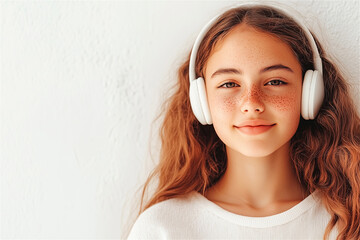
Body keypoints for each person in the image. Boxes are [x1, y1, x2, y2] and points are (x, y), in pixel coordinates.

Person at [127, 2, 360, 240]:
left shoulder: (350, 222)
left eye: (275, 82)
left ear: (310, 93)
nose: (251, 103)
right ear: (201, 101)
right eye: (229, 84)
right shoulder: (162, 229)